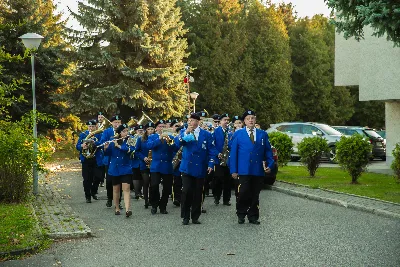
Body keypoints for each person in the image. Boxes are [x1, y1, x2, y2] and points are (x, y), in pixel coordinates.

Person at [229, 110, 274, 225]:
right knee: (243, 192)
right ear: (244, 121)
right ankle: (241, 213)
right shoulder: (238, 134)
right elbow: (233, 153)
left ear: (255, 120)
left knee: (255, 193)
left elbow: (268, 152)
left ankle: (253, 215)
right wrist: (233, 170)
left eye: (252, 118)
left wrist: (269, 165)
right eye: (248, 118)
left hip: (257, 169)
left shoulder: (262, 134)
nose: (251, 120)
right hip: (243, 169)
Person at [175, 113, 218, 225]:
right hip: (187, 167)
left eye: (192, 120)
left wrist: (211, 163)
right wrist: (186, 132)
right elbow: (177, 143)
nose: (190, 122)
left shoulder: (206, 134)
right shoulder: (184, 131)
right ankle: (185, 216)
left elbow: (212, 151)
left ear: (198, 121)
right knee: (186, 191)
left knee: (198, 192)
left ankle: (195, 216)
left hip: (200, 167)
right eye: (189, 120)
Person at [146, 119, 177, 215]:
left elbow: (175, 148)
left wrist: (169, 141)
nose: (162, 128)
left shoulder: (171, 137)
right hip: (156, 165)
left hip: (167, 165)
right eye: (160, 126)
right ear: (156, 128)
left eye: (163, 126)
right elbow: (149, 146)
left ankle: (163, 206)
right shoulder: (152, 137)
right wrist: (159, 139)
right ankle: (154, 205)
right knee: (154, 186)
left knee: (167, 188)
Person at [104, 123, 134, 217]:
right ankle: (116, 208)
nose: (126, 133)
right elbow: (108, 153)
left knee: (126, 189)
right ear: (120, 133)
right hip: (115, 168)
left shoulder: (130, 140)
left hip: (125, 168)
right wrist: (106, 148)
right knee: (116, 190)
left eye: (127, 131)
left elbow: (131, 150)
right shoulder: (113, 140)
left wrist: (119, 146)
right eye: (124, 131)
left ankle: (128, 209)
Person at [76, 119, 103, 203]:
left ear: (95, 127)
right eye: (89, 126)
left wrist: (95, 143)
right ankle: (88, 196)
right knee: (87, 178)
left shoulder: (99, 134)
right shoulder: (83, 134)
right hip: (86, 159)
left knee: (98, 177)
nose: (91, 128)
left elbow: (102, 144)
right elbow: (77, 146)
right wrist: (82, 146)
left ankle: (93, 191)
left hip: (96, 158)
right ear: (87, 126)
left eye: (93, 126)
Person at [99, 115, 122, 208]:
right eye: (115, 122)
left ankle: (118, 202)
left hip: (120, 160)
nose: (117, 124)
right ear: (112, 123)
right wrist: (107, 144)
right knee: (109, 181)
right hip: (109, 159)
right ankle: (109, 198)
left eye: (119, 122)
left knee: (119, 181)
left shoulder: (123, 131)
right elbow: (102, 142)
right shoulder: (107, 131)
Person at [212, 113, 233, 206]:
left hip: (228, 159)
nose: (226, 122)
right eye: (225, 120)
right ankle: (216, 196)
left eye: (228, 120)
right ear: (220, 121)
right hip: (219, 159)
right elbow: (212, 145)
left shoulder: (231, 132)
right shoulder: (216, 131)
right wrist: (217, 153)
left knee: (228, 180)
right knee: (218, 179)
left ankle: (226, 199)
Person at [136, 122, 156, 209]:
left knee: (153, 182)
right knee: (146, 181)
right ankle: (146, 201)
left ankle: (152, 199)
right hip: (144, 163)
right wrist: (143, 158)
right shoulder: (141, 139)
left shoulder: (156, 138)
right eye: (148, 129)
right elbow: (137, 151)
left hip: (154, 163)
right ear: (145, 130)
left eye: (152, 129)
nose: (150, 131)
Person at [130, 125, 144, 200]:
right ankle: (136, 192)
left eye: (142, 130)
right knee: (135, 176)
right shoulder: (132, 138)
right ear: (136, 131)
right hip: (135, 160)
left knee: (142, 176)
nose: (141, 131)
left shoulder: (144, 138)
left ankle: (139, 191)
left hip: (142, 160)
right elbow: (130, 148)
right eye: (139, 130)